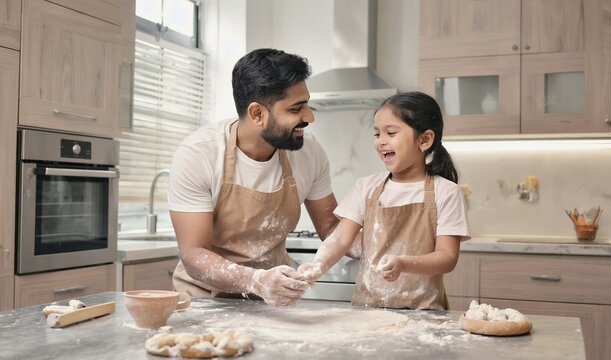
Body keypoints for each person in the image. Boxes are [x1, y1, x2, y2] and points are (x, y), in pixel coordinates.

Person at [168, 48, 339, 306]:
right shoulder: (198, 155)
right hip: (204, 301)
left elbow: (332, 228)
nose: (309, 117)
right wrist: (257, 280)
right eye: (296, 109)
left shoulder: (308, 151)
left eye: (307, 104)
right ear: (257, 113)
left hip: (272, 300)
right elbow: (194, 253)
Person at [298, 91, 470, 310]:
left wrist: (403, 263)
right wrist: (316, 266)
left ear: (425, 140)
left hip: (423, 312)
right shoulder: (366, 187)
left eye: (391, 133)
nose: (381, 142)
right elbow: (339, 240)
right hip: (368, 310)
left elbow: (447, 257)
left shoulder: (445, 192)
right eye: (377, 134)